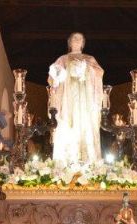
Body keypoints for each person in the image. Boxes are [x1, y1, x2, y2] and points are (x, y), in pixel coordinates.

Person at [48, 32, 103, 165]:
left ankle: (89, 160)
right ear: (70, 42)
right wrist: (56, 78)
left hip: (85, 101)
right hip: (67, 101)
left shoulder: (90, 59)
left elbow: (99, 73)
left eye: (80, 38)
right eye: (74, 38)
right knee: (67, 124)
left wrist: (86, 67)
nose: (77, 40)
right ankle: (65, 161)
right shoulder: (62, 59)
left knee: (86, 126)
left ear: (83, 43)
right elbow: (52, 79)